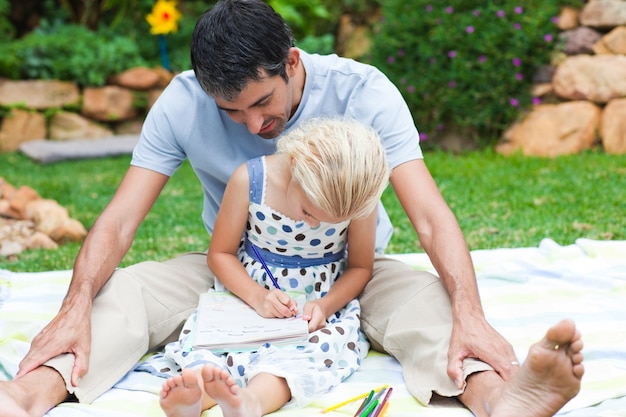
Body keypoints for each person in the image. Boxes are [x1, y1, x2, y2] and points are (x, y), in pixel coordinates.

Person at [0, 1, 584, 417]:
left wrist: (473, 312)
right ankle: (28, 397)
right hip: (230, 266)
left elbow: (429, 215)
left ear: (293, 63)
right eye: (232, 112)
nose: (254, 126)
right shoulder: (181, 103)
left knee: (434, 308)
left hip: (354, 269)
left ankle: (499, 401)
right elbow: (121, 219)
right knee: (121, 296)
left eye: (262, 102)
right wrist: (74, 305)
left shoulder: (363, 93)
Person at [151, 118, 389, 417]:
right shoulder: (251, 180)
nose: (313, 224)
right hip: (248, 295)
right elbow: (221, 254)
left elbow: (360, 267)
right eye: (307, 211)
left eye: (329, 223)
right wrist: (257, 297)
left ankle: (250, 402)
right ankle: (197, 394)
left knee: (302, 356)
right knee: (211, 346)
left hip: (316, 308)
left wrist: (326, 306)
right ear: (293, 165)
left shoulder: (356, 201)